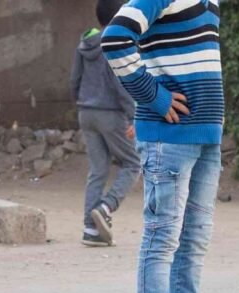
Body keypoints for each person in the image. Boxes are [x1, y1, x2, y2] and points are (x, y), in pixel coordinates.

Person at [102, 0, 238, 293]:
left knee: (193, 240)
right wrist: (155, 97)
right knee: (162, 239)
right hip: (168, 138)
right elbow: (114, 40)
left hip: (206, 138)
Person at [70, 0, 140, 247]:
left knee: (97, 170)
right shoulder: (116, 42)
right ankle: (106, 207)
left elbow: (74, 80)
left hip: (86, 111)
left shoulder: (84, 43)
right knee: (133, 163)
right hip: (110, 113)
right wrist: (133, 117)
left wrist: (81, 104)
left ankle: (91, 230)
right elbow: (120, 85)